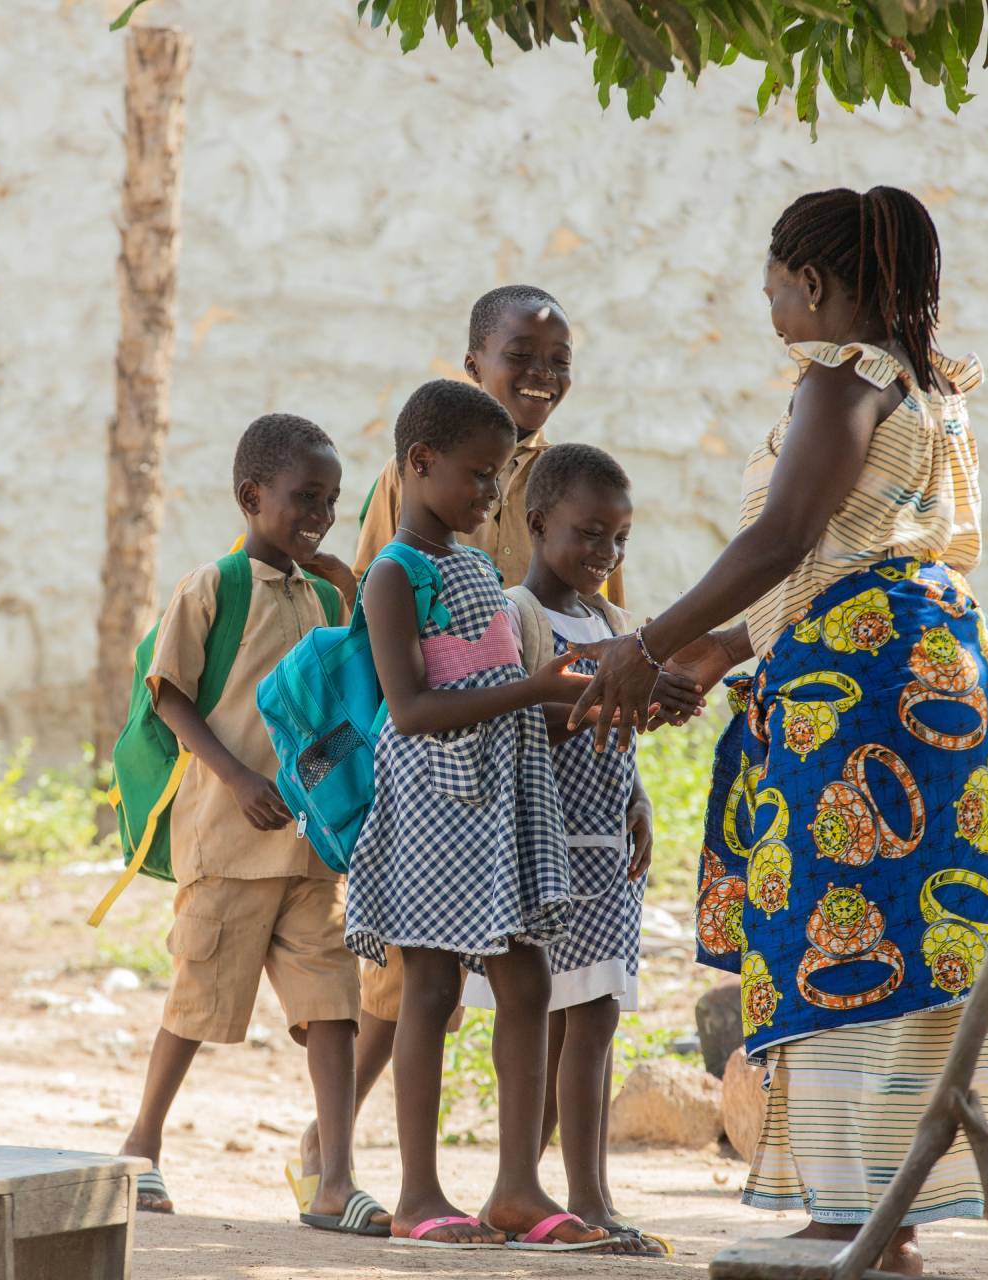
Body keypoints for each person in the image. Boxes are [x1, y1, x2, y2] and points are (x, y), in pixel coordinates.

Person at [566, 187, 988, 1274]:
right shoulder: (930, 386)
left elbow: (782, 539)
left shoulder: (845, 378)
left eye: (771, 286)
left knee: (844, 927)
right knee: (909, 929)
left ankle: (864, 1217)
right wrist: (698, 662)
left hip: (865, 704)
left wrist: (644, 641)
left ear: (810, 279)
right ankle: (867, 1210)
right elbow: (833, 565)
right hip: (925, 674)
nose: (768, 309)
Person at [306, 285, 628, 1194]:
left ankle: (518, 1188)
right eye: (520, 357)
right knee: (419, 992)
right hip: (442, 788)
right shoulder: (412, 554)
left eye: (557, 361)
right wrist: (537, 688)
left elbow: (582, 631)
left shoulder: (503, 530)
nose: (492, 495)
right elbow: (405, 681)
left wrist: (609, 690)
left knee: (526, 984)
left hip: (517, 781)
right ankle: (358, 1169)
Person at [118, 414, 391, 1237]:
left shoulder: (325, 597)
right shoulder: (214, 588)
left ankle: (334, 1178)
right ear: (251, 496)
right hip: (231, 846)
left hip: (311, 853)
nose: (321, 514)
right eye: (304, 497)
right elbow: (170, 693)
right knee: (198, 998)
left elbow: (336, 711)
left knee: (333, 1007)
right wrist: (236, 778)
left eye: (332, 501)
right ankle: (141, 1145)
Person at [461, 442, 667, 1255]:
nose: (605, 555)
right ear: (537, 522)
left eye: (619, 539)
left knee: (596, 1020)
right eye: (588, 534)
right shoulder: (516, 614)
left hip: (607, 852)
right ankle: (573, 1197)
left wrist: (641, 798)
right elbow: (512, 717)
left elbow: (621, 733)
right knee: (560, 1024)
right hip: (544, 853)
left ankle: (578, 1194)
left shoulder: (615, 623)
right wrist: (592, 694)